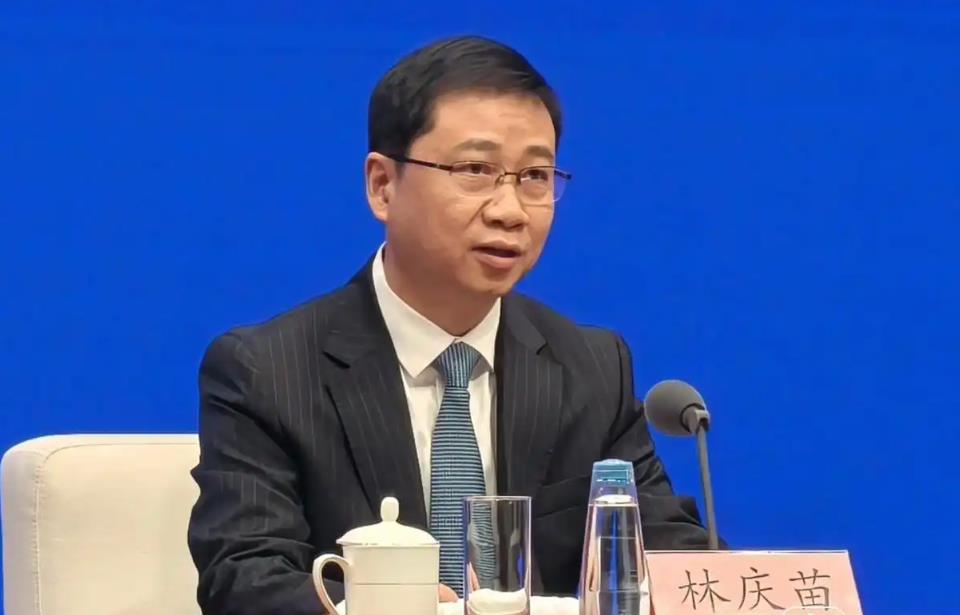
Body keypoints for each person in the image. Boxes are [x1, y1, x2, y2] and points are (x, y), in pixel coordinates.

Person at [188, 35, 711, 615]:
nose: (510, 210)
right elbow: (245, 580)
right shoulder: (266, 371)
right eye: (475, 170)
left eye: (535, 176)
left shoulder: (592, 367)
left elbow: (669, 561)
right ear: (383, 186)